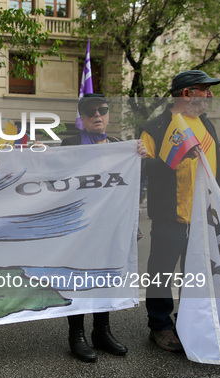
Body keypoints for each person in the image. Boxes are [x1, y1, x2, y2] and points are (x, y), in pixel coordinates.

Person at [139, 70, 220, 352]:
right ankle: (160, 326)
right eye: (205, 90)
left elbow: (216, 165)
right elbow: (144, 169)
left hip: (205, 217)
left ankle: (188, 321)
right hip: (171, 216)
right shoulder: (155, 127)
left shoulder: (207, 125)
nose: (210, 95)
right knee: (162, 273)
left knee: (198, 273)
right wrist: (175, 157)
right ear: (187, 93)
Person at [61, 93, 147, 362]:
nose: (97, 115)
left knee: (104, 276)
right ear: (83, 119)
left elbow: (133, 185)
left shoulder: (124, 146)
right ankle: (76, 334)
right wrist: (40, 153)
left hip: (110, 225)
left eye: (102, 110)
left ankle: (102, 331)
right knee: (77, 278)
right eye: (90, 112)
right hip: (79, 226)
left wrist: (142, 156)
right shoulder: (69, 144)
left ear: (108, 114)